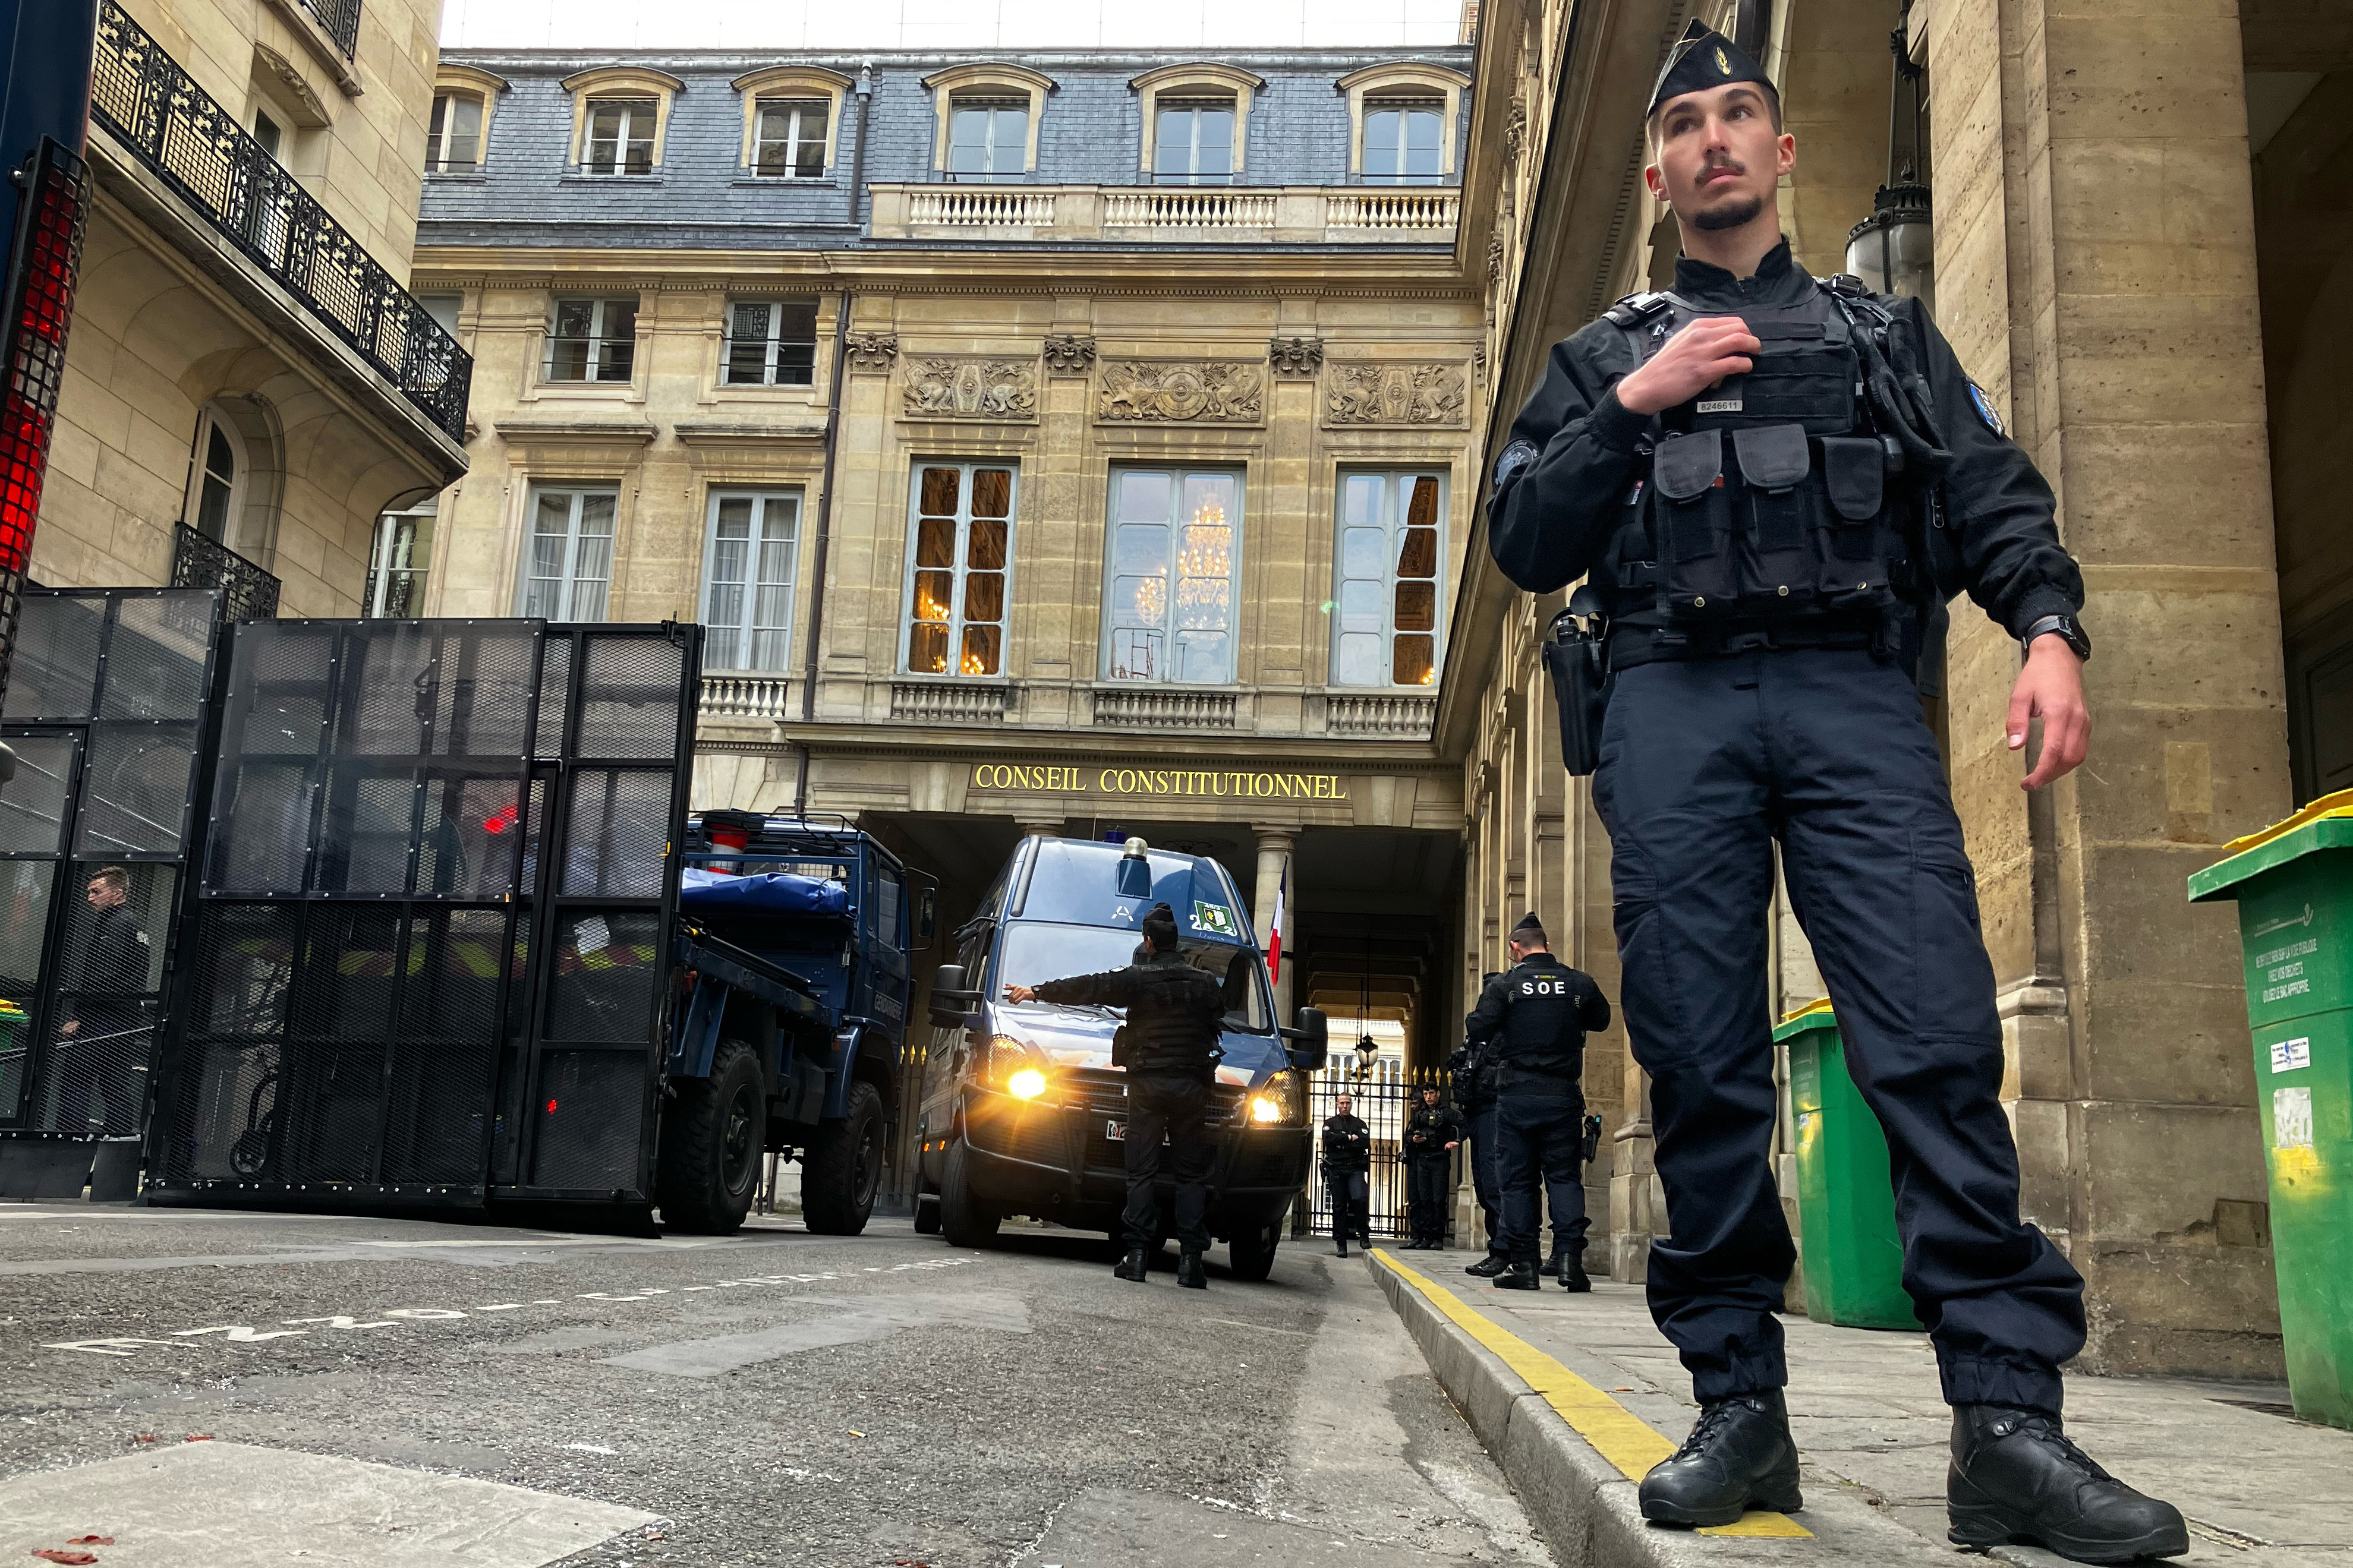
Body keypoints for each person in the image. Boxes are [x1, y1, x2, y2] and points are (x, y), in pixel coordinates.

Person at [1484, 20, 2186, 1561]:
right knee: (1699, 1051)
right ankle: (1736, 1407)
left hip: (1852, 694)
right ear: (1659, 166)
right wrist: (1628, 403)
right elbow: (1522, 536)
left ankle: (2004, 1427)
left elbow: (1990, 492)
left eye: (1741, 115)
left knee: (1931, 1029)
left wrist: (2048, 633)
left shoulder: (1877, 334)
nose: (1715, 141)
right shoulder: (1602, 349)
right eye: (1687, 125)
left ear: (1780, 151)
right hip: (1666, 693)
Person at [1004, 901, 1224, 1290]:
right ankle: (1191, 1263)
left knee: (1140, 1172)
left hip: (1147, 1086)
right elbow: (1216, 1020)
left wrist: (1036, 991)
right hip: (1191, 1087)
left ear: (1149, 942)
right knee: (1191, 1176)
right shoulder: (1204, 983)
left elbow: (1090, 986)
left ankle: (1136, 1256)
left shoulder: (1136, 979)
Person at [1466, 915, 1609, 1293]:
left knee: (1517, 1181)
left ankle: (1524, 1266)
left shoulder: (1506, 985)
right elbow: (1602, 1019)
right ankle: (1569, 1263)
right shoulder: (1578, 982)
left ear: (1516, 946)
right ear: (1546, 943)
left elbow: (1477, 1027)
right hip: (1562, 1094)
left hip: (1516, 1096)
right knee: (1564, 1177)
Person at [53, 865, 152, 1136]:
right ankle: (119, 1147)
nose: (90, 898)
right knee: (114, 1082)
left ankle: (71, 1145)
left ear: (117, 893)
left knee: (77, 1078)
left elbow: (103, 978)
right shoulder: (132, 923)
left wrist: (80, 1017)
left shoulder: (116, 925)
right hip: (125, 1016)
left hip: (104, 1015)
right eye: (89, 892)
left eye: (97, 892)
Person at [1449, 979, 1509, 1276]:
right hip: (1478, 1112)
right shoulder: (1480, 1037)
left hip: (1494, 1111)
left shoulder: (1504, 1033)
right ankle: (1500, 1249)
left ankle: (1505, 1251)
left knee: (1495, 1184)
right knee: (1486, 1187)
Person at [1399, 1084, 1461, 1249]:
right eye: (1426, 1094)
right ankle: (1426, 1237)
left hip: (1440, 1160)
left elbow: (1464, 1123)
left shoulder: (1446, 1113)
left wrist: (1458, 1140)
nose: (1428, 1097)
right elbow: (1408, 1136)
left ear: (1438, 1094)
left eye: (1431, 1093)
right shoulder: (1420, 1115)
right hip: (1423, 1160)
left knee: (1438, 1200)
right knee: (1425, 1200)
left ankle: (1437, 1238)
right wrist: (1414, 1139)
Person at [1318, 1092, 1371, 1257]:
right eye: (1342, 1103)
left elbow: (1364, 1143)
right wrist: (1349, 1138)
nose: (1345, 1106)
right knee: (1339, 1207)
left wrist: (1341, 1141)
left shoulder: (1359, 1123)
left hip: (1355, 1168)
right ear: (1337, 1104)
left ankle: (1363, 1234)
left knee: (1359, 1199)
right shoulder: (1330, 1124)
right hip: (1336, 1169)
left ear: (1351, 1104)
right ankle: (1341, 1244)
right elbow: (1329, 1140)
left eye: (1348, 1103)